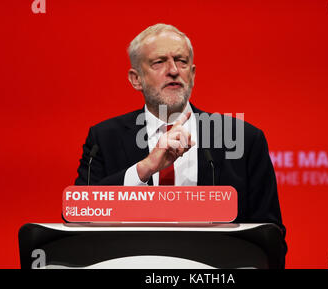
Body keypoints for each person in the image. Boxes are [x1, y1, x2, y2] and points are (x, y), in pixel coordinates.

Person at [75, 23, 287, 266]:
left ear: (193, 75)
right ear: (136, 79)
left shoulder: (242, 138)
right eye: (159, 62)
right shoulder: (104, 138)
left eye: (181, 61)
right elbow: (81, 216)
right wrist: (144, 169)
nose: (173, 70)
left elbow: (271, 236)